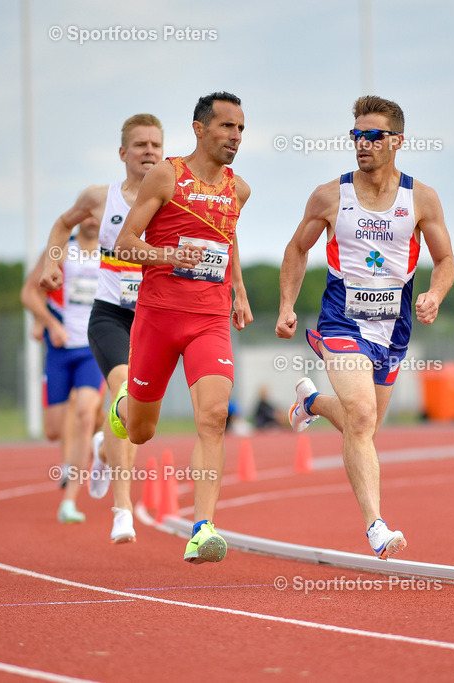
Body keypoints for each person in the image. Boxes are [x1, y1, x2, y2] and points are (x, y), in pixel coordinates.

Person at [275, 95, 454, 559]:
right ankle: (376, 526)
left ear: (397, 141)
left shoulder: (422, 199)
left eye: (373, 136)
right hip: (342, 321)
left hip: (392, 330)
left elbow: (445, 260)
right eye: (357, 135)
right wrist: (286, 305)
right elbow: (298, 248)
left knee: (365, 424)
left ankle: (311, 401)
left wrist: (434, 294)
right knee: (360, 415)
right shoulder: (331, 195)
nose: (363, 144)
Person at [110, 91, 253, 564]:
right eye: (226, 127)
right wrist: (168, 255)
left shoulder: (239, 190)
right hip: (157, 316)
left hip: (209, 319)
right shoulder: (166, 174)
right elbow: (127, 244)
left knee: (214, 416)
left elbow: (227, 240)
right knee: (140, 433)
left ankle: (203, 528)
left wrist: (240, 292)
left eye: (240, 129)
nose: (234, 137)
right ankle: (124, 404)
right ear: (199, 128)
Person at [39, 113, 164, 543]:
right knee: (124, 395)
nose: (150, 151)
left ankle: (98, 448)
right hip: (110, 316)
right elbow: (62, 224)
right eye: (141, 145)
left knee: (138, 424)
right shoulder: (99, 198)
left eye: (156, 145)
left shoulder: (170, 199)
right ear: (123, 153)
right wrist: (54, 260)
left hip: (153, 321)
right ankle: (122, 510)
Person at [22, 216, 102, 524]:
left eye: (101, 212)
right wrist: (47, 322)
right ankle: (77, 454)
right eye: (89, 212)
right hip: (59, 347)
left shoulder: (112, 250)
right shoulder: (61, 251)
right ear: (81, 217)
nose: (94, 219)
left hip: (93, 347)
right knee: (54, 429)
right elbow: (30, 293)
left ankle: (70, 499)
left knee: (84, 413)